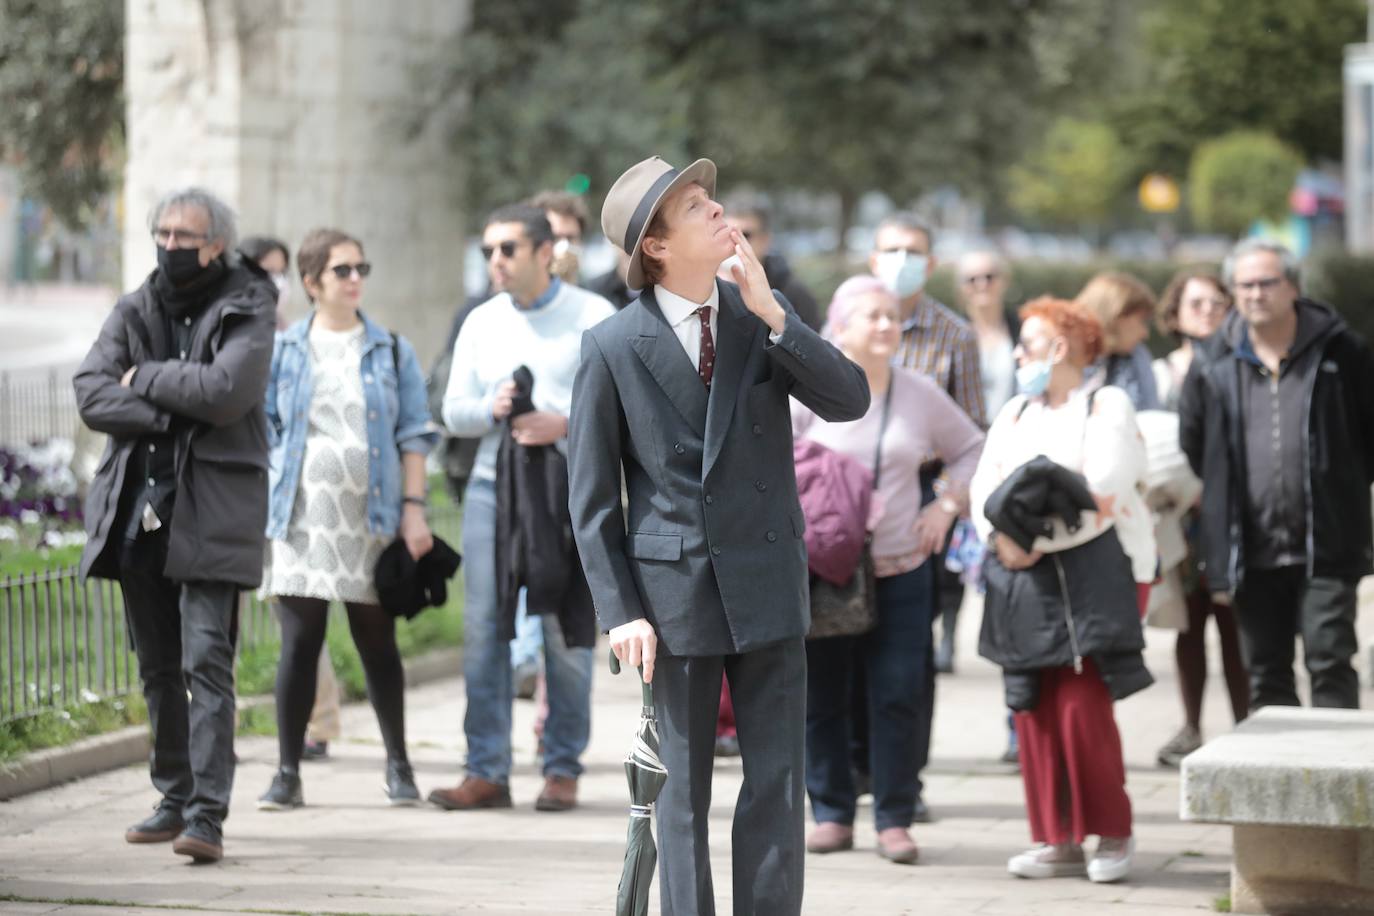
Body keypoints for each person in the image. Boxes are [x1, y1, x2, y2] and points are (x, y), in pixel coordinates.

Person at [569, 156, 869, 916]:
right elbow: (594, 501)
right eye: (694, 206)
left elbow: (849, 400)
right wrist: (621, 611)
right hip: (673, 600)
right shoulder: (610, 347)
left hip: (769, 579)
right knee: (682, 797)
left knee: (776, 785)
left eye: (711, 197)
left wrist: (774, 314)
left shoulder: (757, 318)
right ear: (657, 248)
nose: (717, 210)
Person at [73, 187, 275, 863]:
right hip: (139, 513)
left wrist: (146, 376)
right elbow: (91, 391)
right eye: (161, 233)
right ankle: (172, 795)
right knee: (158, 669)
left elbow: (226, 394)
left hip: (212, 514)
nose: (168, 247)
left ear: (215, 243)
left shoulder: (250, 304)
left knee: (205, 664)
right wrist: (169, 410)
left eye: (183, 238)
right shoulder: (137, 304)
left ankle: (207, 816)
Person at [431, 203, 614, 813]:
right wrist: (492, 406)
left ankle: (561, 767)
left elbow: (622, 410)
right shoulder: (481, 320)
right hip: (492, 490)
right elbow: (450, 409)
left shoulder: (594, 315)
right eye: (488, 250)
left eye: (507, 249)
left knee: (564, 629)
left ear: (545, 253)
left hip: (568, 492)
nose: (495, 262)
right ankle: (485, 769)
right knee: (485, 631)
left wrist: (560, 422)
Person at [796, 276, 984, 864]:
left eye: (891, 316)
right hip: (826, 568)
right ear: (840, 328)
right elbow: (770, 457)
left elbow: (974, 447)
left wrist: (946, 505)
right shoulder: (806, 395)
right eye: (871, 316)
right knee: (823, 693)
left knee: (899, 691)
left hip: (903, 567)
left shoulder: (920, 392)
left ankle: (895, 816)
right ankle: (830, 812)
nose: (885, 325)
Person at [970, 296, 1156, 883]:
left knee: (1082, 711)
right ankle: (1058, 839)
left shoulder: (1108, 404)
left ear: (1061, 347)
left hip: (1094, 577)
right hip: (1021, 580)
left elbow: (1100, 492)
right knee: (1032, 712)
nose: (1020, 353)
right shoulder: (1016, 413)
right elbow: (984, 487)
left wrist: (1026, 539)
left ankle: (1113, 832)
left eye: (1029, 341)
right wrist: (1002, 540)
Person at [257, 228, 438, 811]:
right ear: (312, 283)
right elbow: (265, 428)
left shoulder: (389, 349)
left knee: (377, 641)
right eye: (343, 270)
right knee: (300, 642)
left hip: (372, 515)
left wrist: (414, 512)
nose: (356, 277)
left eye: (362, 266)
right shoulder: (283, 350)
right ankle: (287, 771)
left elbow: (414, 434)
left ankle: (399, 765)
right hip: (301, 517)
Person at [1179, 239, 1374, 711]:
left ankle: (1337, 777)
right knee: (1265, 671)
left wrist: (1342, 486)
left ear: (1293, 288)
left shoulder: (1342, 351)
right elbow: (1195, 442)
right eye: (1244, 284)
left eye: (1268, 282)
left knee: (1330, 661)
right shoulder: (1212, 362)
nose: (1255, 293)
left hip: (1325, 543)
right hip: (1251, 547)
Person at [858, 211, 985, 821]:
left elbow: (972, 432)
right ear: (871, 257)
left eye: (912, 251)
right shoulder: (846, 328)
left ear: (930, 265)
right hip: (849, 513)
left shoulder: (953, 334)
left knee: (910, 662)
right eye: (889, 249)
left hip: (922, 503)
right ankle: (858, 771)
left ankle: (906, 779)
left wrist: (948, 506)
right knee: (845, 644)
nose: (899, 260)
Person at [242, 234, 340, 761]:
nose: (271, 282)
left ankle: (319, 721)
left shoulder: (292, 338)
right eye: (263, 271)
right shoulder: (234, 330)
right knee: (220, 620)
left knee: (299, 618)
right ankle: (210, 722)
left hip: (287, 497)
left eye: (280, 272)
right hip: (235, 492)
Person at [1149, 269, 1248, 767]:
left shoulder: (1241, 366)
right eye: (1196, 303)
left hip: (1228, 513)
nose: (1207, 311)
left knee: (1234, 622)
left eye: (1216, 302)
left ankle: (1247, 726)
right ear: (1176, 312)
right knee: (1189, 625)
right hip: (1177, 521)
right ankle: (1191, 726)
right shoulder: (1160, 372)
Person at [954, 248, 1021, 762]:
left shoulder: (1024, 331)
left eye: (990, 276)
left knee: (1012, 597)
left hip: (1019, 479)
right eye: (972, 278)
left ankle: (1018, 721)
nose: (982, 284)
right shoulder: (952, 335)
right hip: (968, 480)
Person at [714, 193, 822, 330]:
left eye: (745, 235)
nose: (735, 242)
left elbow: (811, 347)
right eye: (727, 234)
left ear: (765, 240)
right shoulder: (701, 286)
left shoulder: (793, 292)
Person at [1076, 271, 1161, 411]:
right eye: (1141, 321)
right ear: (1117, 315)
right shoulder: (1066, 356)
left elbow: (1151, 415)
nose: (1144, 333)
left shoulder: (1137, 357)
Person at [529, 189, 590, 284]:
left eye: (570, 238)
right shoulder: (510, 296)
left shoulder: (593, 295)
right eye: (555, 237)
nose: (564, 246)